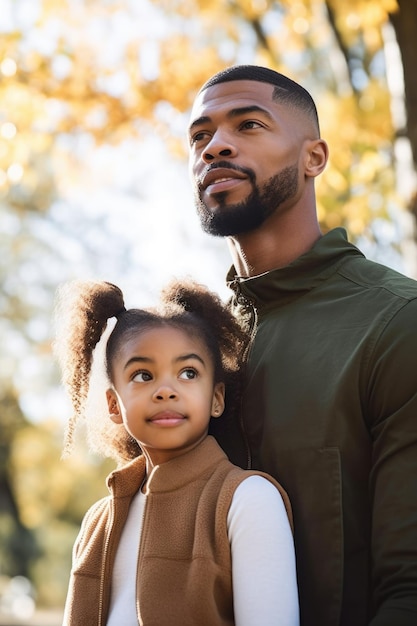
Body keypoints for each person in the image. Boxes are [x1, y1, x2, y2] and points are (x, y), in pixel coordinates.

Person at [187, 64, 417, 626]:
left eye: (249, 125)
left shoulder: (396, 322)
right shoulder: (188, 348)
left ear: (314, 157)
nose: (215, 146)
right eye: (200, 136)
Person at [55, 277, 299, 626]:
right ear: (114, 404)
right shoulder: (98, 521)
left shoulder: (248, 500)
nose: (166, 390)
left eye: (187, 372)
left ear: (216, 398)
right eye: (142, 375)